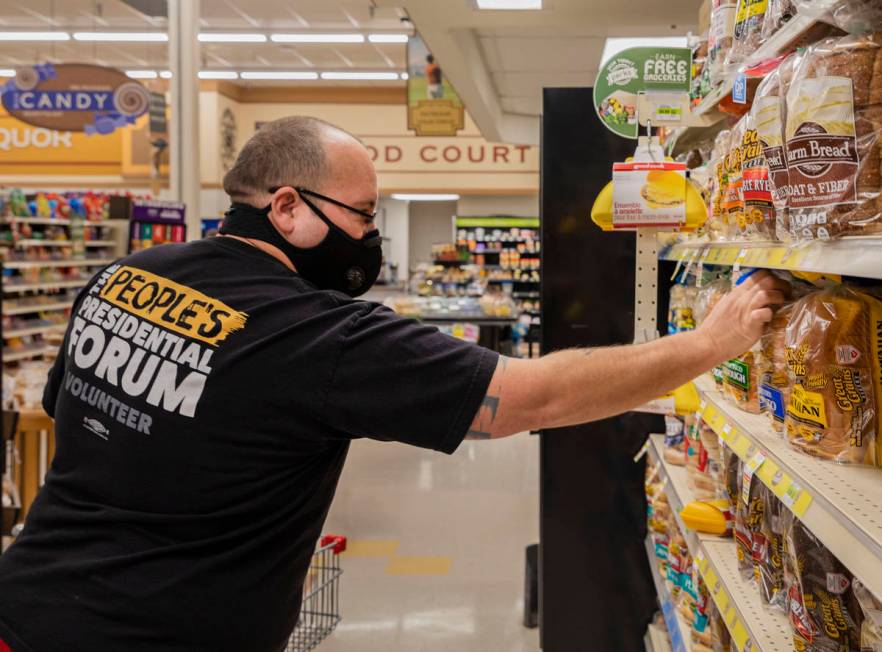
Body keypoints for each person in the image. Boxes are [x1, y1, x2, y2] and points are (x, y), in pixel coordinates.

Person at [0, 116, 788, 652]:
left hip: (25, 601)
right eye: (363, 214)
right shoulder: (317, 334)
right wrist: (708, 342)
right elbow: (534, 395)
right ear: (287, 207)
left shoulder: (124, 276)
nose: (369, 238)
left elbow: (81, 413)